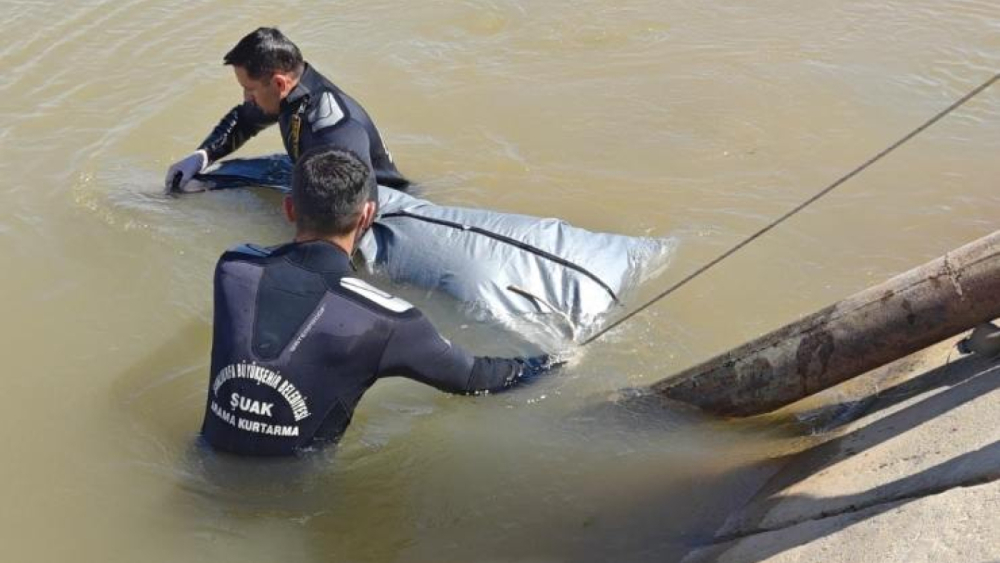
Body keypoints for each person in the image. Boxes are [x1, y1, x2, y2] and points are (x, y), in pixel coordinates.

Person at [201, 147, 555, 456]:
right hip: (293, 491)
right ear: (368, 215)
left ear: (290, 209)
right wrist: (552, 364)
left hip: (206, 461)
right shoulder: (387, 321)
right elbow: (474, 377)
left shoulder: (234, 269)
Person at [166, 27, 408, 194]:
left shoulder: (328, 127)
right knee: (196, 183)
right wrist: (202, 156)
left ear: (280, 83)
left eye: (249, 90)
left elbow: (355, 199)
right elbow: (243, 120)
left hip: (382, 199)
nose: (246, 98)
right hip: (317, 175)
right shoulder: (289, 95)